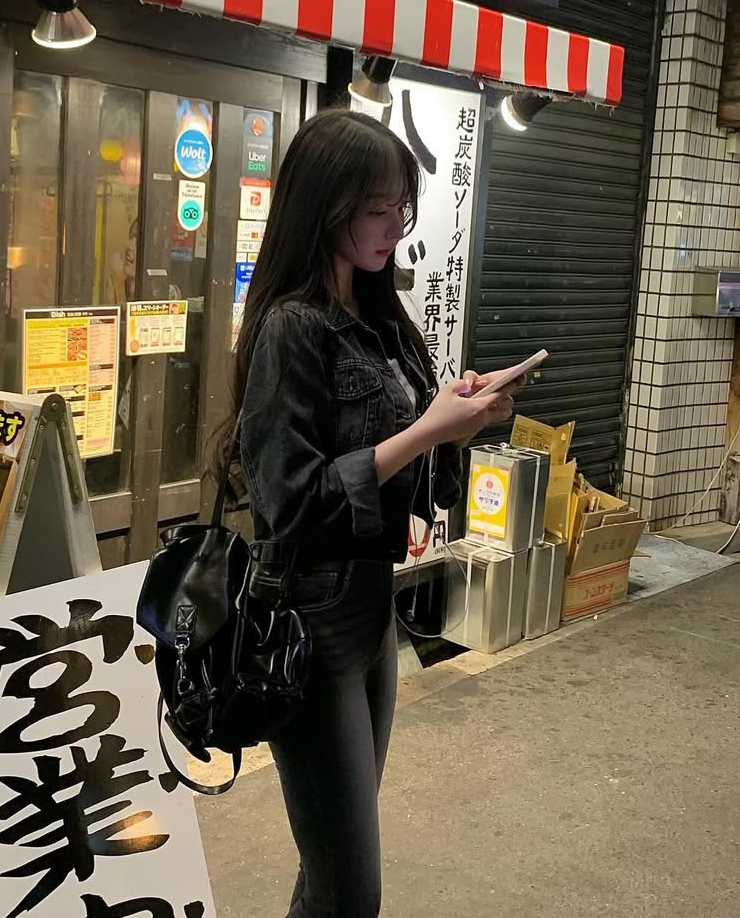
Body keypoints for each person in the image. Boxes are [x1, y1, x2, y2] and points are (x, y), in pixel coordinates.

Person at [222, 109, 520, 918]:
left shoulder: (379, 319)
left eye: (401, 208)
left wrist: (455, 421)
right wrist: (424, 431)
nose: (395, 227)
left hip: (369, 608)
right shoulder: (290, 328)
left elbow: (409, 465)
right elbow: (288, 504)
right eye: (377, 209)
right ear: (325, 209)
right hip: (310, 623)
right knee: (351, 893)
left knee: (330, 875)